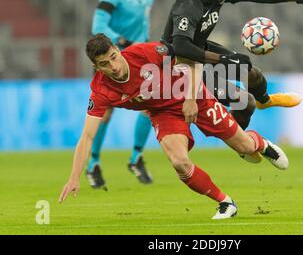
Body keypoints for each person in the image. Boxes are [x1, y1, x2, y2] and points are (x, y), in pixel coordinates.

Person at [59, 34, 288, 219]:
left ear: (118, 51)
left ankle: (260, 143)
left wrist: (190, 99)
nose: (113, 66)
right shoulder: (100, 90)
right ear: (96, 67)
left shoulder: (145, 53)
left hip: (195, 96)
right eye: (104, 64)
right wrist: (73, 177)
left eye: (113, 57)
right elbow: (87, 137)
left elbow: (192, 59)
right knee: (179, 162)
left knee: (246, 147)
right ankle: (225, 203)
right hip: (164, 114)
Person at [161, 0, 303, 128]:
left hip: (199, 51)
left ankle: (265, 101)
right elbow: (180, 46)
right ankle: (241, 145)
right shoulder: (188, 5)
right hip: (178, 66)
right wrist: (221, 59)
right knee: (245, 102)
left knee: (252, 73)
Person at [87, 0, 158, 188]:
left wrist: (144, 45)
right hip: (113, 56)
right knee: (105, 111)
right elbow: (98, 25)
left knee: (150, 105)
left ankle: (136, 157)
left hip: (139, 59)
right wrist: (122, 43)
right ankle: (93, 163)